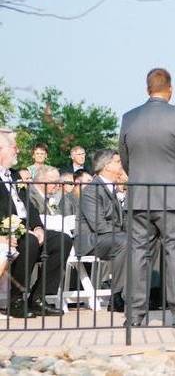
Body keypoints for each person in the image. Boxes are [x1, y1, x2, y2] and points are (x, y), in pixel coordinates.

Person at [119, 68, 175, 326]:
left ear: (147, 89)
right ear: (170, 89)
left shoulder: (129, 118)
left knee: (137, 254)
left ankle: (135, 315)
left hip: (140, 196)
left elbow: (125, 158)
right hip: (173, 196)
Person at [0, 128, 72, 318]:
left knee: (62, 240)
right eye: (14, 147)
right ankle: (16, 300)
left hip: (25, 228)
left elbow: (29, 208)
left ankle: (39, 298)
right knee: (29, 242)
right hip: (7, 231)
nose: (18, 151)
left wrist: (38, 227)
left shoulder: (14, 176)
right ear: (1, 149)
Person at [77, 149, 128, 312]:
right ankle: (117, 295)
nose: (122, 164)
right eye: (118, 161)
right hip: (91, 240)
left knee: (145, 239)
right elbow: (99, 226)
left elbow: (122, 222)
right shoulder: (92, 190)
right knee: (125, 241)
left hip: (111, 238)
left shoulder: (111, 188)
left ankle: (152, 293)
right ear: (107, 166)